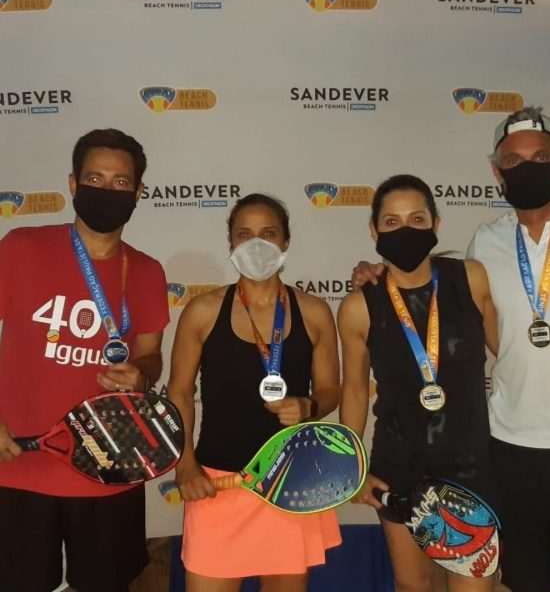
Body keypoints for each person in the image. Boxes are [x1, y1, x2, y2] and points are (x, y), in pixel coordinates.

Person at [351, 107, 550, 592]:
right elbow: (435, 284)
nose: (526, 168)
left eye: (540, 157)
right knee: (527, 579)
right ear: (496, 172)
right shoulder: (487, 242)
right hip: (510, 442)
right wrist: (379, 272)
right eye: (513, 161)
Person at [0, 129, 169, 592]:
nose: (107, 190)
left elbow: (151, 356)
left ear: (138, 192)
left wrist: (142, 374)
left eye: (120, 182)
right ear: (73, 184)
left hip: (111, 465)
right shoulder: (21, 247)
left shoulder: (148, 271)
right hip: (19, 462)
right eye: (95, 178)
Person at [168, 193, 341, 592]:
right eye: (244, 234)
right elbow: (179, 392)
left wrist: (310, 405)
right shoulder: (202, 311)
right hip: (217, 485)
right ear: (230, 242)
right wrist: (184, 462)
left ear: (286, 241)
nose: (256, 244)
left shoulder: (314, 311)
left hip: (291, 485)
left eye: (269, 233)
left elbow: (331, 389)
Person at [338, 174, 498, 592]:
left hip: (472, 465)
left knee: (475, 585)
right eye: (391, 222)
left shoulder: (471, 279)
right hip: (400, 466)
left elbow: (510, 354)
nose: (405, 229)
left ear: (436, 224)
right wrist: (353, 465)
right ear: (373, 231)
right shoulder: (358, 307)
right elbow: (354, 389)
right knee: (412, 586)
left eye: (417, 219)